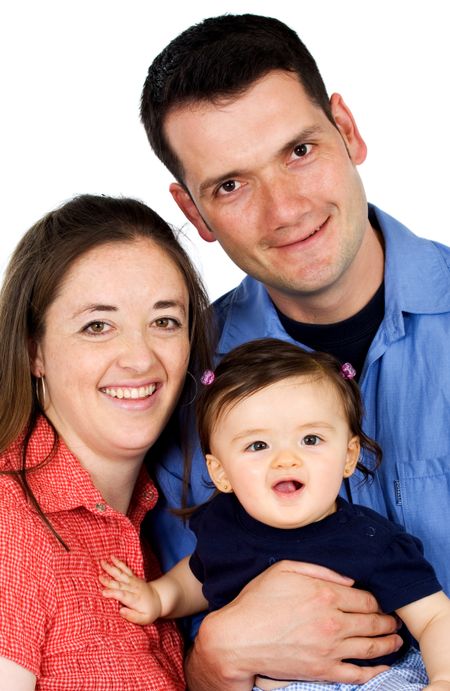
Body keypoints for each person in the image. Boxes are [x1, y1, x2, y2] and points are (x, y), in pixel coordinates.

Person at [138, 12, 450, 689]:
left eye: (299, 150)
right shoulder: (170, 387)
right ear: (194, 213)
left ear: (347, 129)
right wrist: (213, 660)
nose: (284, 210)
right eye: (230, 185)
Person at [99, 339, 450, 691]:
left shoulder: (371, 541)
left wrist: (444, 678)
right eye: (258, 445)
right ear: (221, 473)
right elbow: (198, 574)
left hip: (369, 681)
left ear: (348, 455)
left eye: (310, 440)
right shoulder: (222, 525)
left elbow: (435, 617)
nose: (286, 459)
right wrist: (160, 597)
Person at [0, 194, 212, 689]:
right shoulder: (11, 524)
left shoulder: (149, 519)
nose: (139, 359)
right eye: (97, 326)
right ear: (34, 351)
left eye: (164, 321)